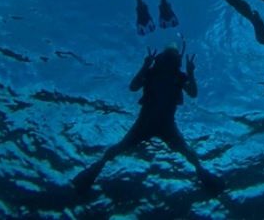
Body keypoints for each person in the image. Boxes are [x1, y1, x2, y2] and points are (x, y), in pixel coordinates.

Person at [72, 45, 225, 195]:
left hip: (162, 124)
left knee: (185, 151)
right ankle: (96, 168)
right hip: (148, 122)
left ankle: (202, 172)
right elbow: (133, 87)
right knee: (123, 147)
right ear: (162, 59)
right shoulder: (153, 73)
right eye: (167, 57)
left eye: (172, 58)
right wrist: (145, 66)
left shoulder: (178, 77)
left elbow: (192, 93)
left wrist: (190, 73)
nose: (169, 62)